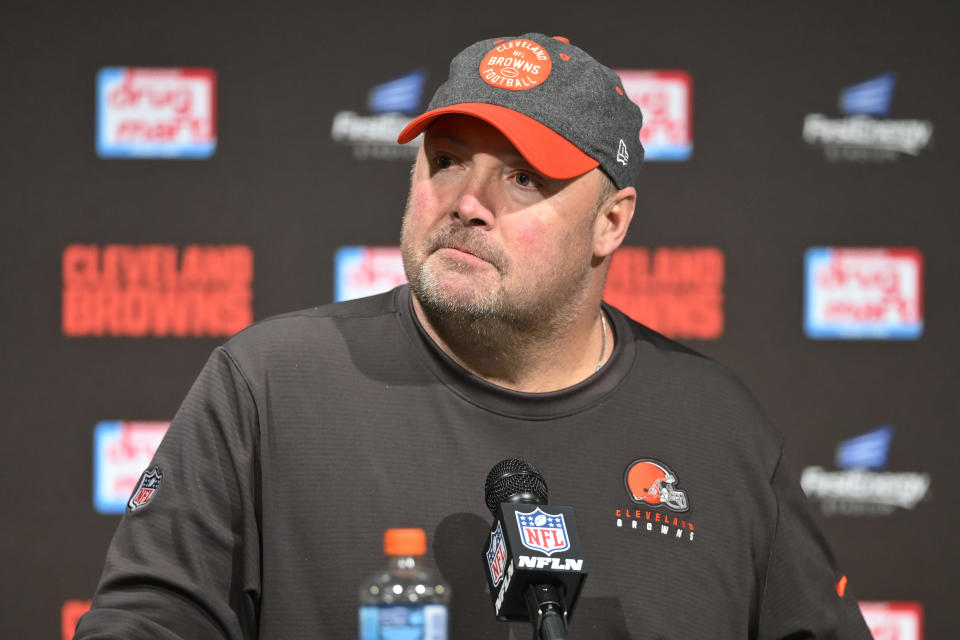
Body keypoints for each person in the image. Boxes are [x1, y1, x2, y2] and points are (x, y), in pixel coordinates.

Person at [75, 33, 872, 639]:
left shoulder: (719, 428)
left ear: (611, 222)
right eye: (448, 160)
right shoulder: (268, 388)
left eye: (523, 176)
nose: (467, 201)